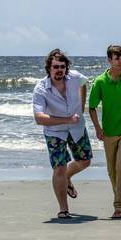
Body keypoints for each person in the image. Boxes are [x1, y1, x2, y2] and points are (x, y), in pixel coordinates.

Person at [32, 49, 92, 219]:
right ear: (49, 68)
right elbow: (39, 118)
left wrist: (81, 108)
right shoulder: (41, 89)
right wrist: (65, 119)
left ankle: (66, 179)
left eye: (62, 67)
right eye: (56, 67)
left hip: (77, 127)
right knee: (59, 168)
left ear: (67, 68)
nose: (59, 70)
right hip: (54, 132)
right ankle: (63, 209)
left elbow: (83, 84)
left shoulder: (74, 77)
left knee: (85, 161)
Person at [88, 44, 121, 219]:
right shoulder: (100, 81)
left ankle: (119, 206)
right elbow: (91, 107)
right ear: (109, 60)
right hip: (109, 131)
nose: (120, 61)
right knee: (112, 170)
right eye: (117, 58)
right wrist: (97, 128)